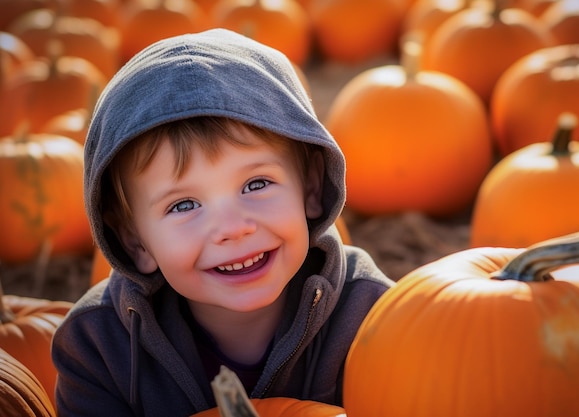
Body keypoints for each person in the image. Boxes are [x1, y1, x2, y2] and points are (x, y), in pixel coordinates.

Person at [51, 28, 395, 416]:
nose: (233, 227)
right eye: (183, 205)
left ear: (311, 187)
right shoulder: (98, 349)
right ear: (135, 241)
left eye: (256, 183)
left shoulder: (373, 316)